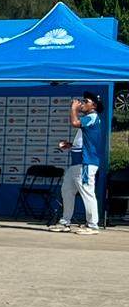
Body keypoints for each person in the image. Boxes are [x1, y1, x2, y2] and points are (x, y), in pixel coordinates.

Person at [53, 93, 103, 235]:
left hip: (85, 163)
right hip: (77, 163)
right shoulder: (88, 120)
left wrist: (73, 108)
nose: (82, 103)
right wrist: (70, 145)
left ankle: (93, 225)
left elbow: (74, 123)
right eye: (81, 101)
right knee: (67, 191)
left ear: (93, 105)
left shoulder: (92, 117)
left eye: (85, 101)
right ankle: (65, 222)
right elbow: (84, 142)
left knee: (87, 193)